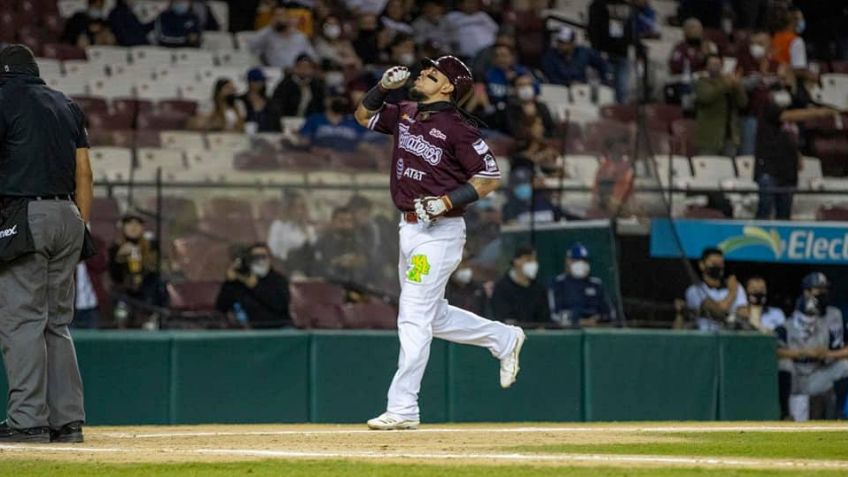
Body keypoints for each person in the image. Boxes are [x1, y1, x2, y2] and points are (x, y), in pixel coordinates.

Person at [353, 54, 525, 430]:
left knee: (413, 315)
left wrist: (446, 201)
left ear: (448, 86)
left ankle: (403, 407)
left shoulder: (459, 129)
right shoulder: (406, 112)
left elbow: (489, 177)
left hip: (440, 233)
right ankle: (503, 337)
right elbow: (363, 117)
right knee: (434, 315)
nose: (423, 72)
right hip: (409, 228)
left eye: (433, 72)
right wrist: (382, 87)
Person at [0, 44, 93, 443]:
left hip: (25, 215)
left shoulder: (3, 99)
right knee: (57, 323)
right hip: (69, 216)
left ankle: (27, 422)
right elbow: (85, 173)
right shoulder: (66, 104)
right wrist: (81, 226)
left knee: (22, 320)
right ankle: (67, 422)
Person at [754, 86, 837, 219]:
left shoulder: (792, 124)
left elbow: (789, 138)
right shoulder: (768, 108)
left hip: (788, 172)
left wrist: (797, 155)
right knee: (764, 210)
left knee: (784, 215)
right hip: (769, 169)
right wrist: (818, 113)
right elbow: (787, 116)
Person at [777, 273, 848, 420]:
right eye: (818, 289)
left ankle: (840, 414)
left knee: (845, 366)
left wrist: (826, 354)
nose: (823, 293)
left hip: (817, 373)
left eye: (825, 289)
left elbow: (837, 349)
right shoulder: (787, 325)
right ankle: (784, 414)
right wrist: (803, 352)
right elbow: (775, 351)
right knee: (784, 364)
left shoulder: (827, 325)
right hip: (796, 376)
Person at [215, 243, 291, 329]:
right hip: (251, 331)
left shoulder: (277, 279)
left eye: (263, 256)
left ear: (270, 259)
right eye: (255, 257)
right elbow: (221, 307)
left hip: (279, 328)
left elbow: (280, 304)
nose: (260, 261)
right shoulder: (240, 282)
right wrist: (229, 282)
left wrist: (255, 286)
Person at [107, 213, 164, 327]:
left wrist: (142, 256)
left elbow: (156, 271)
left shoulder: (151, 245)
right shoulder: (115, 247)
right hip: (124, 297)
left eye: (137, 223)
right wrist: (119, 258)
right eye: (129, 223)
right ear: (123, 227)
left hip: (147, 297)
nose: (134, 227)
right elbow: (114, 277)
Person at [736, 31, 783, 156]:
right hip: (750, 117)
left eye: (760, 43)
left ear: (769, 46)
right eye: (753, 43)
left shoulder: (777, 66)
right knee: (748, 155)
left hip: (772, 120)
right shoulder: (744, 63)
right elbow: (736, 84)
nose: (755, 46)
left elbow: (786, 89)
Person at [548, 243, 616, 328]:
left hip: (595, 331)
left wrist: (598, 319)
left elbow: (610, 313)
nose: (582, 264)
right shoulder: (558, 284)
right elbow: (554, 316)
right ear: (567, 261)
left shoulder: (596, 284)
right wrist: (579, 321)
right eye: (577, 260)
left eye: (585, 261)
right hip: (569, 333)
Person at [693, 54, 747, 156]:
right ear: (706, 66)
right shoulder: (702, 82)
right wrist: (727, 84)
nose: (715, 66)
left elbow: (742, 103)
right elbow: (707, 96)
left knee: (728, 169)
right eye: (712, 64)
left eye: (718, 64)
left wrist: (738, 86)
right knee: (708, 167)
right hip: (710, 137)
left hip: (730, 135)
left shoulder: (729, 82)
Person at [683, 247, 747, 331]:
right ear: (701, 265)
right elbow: (719, 311)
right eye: (713, 263)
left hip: (732, 338)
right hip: (706, 338)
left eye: (720, 264)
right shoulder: (694, 290)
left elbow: (744, 314)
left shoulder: (737, 287)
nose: (717, 267)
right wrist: (732, 292)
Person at [588, 0, 635, 103]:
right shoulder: (597, 5)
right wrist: (598, 51)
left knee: (622, 90)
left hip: (622, 54)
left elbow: (630, 29)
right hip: (604, 54)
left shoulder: (626, 6)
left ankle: (622, 115)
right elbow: (593, 30)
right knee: (607, 89)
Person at [490, 245, 551, 324]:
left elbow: (544, 319)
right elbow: (503, 318)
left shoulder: (539, 289)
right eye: (528, 260)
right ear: (516, 261)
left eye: (534, 260)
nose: (533, 264)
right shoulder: (501, 288)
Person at [312, 206, 371, 284]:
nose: (346, 224)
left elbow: (368, 261)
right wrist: (336, 262)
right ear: (333, 222)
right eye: (341, 221)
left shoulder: (358, 241)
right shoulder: (322, 241)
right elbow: (315, 266)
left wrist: (360, 261)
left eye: (349, 221)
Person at [247, 6, 317, 68]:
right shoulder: (268, 35)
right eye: (277, 16)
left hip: (297, 73)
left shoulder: (299, 36)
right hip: (277, 73)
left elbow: (312, 56)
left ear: (288, 17)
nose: (279, 19)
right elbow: (251, 47)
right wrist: (270, 27)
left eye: (282, 15)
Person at [542, 26, 609, 87]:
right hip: (559, 90)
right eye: (559, 41)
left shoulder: (583, 52)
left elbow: (602, 63)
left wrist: (603, 80)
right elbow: (551, 77)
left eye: (564, 42)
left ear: (572, 43)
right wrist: (568, 83)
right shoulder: (550, 56)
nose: (560, 45)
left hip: (581, 90)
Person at [266, 191, 317, 271]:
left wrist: (305, 232)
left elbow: (314, 252)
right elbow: (273, 249)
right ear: (288, 208)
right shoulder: (278, 226)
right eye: (295, 207)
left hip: (306, 267)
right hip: (285, 264)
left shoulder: (309, 229)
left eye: (302, 207)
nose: (299, 211)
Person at [267, 54, 325, 124]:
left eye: (307, 67)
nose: (303, 69)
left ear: (311, 69)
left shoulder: (316, 85)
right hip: (288, 120)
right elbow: (277, 103)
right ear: (295, 68)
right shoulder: (286, 84)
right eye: (300, 66)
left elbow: (321, 106)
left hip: (310, 121)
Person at [298, 96, 368, 151]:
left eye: (342, 98)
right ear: (327, 101)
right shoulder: (315, 119)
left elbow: (364, 144)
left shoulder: (354, 121)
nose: (340, 100)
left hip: (347, 159)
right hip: (319, 158)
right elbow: (304, 141)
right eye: (335, 98)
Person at [505, 75, 556, 139]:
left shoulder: (541, 106)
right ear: (515, 89)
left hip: (542, 142)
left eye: (529, 84)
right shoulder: (511, 108)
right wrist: (531, 132)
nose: (526, 88)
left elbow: (552, 130)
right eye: (521, 85)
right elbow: (513, 131)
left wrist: (542, 133)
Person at [237, 68, 272, 133]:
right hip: (246, 134)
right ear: (250, 82)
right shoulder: (240, 100)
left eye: (262, 81)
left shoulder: (270, 101)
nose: (261, 83)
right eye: (258, 81)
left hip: (267, 135)